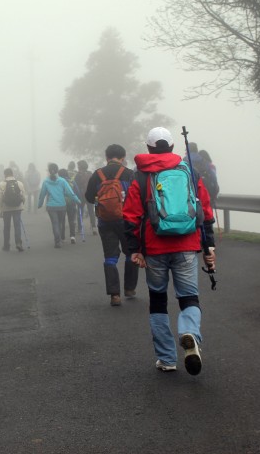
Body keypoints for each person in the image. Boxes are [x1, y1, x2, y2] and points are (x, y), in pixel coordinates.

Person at [124, 127, 216, 375]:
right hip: (187, 244)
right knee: (189, 297)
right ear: (173, 146)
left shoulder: (140, 176)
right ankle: (190, 332)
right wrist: (209, 246)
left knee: (158, 300)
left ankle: (166, 358)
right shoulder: (189, 171)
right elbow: (204, 210)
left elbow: (131, 215)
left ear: (149, 148)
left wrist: (134, 249)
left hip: (154, 247)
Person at [84, 144, 138, 307]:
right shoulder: (129, 174)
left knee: (110, 257)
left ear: (106, 157)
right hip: (127, 220)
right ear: (123, 158)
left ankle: (115, 295)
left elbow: (89, 197)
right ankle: (129, 288)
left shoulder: (97, 174)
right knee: (130, 253)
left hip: (105, 220)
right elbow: (137, 196)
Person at [38, 163, 79, 248]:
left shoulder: (46, 181)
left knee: (55, 223)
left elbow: (42, 194)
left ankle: (57, 241)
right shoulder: (62, 181)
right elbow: (70, 192)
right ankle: (59, 239)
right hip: (61, 205)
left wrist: (40, 204)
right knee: (60, 223)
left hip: (51, 206)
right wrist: (77, 200)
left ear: (49, 171)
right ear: (57, 170)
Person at [0, 167, 26, 252]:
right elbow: (23, 196)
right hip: (17, 207)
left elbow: (0, 198)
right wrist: (22, 204)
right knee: (17, 225)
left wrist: (0, 209)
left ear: (5, 175)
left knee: (6, 226)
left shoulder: (2, 184)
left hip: (6, 208)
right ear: (12, 174)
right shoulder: (19, 183)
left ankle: (6, 245)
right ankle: (18, 243)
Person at [75, 160, 97, 236]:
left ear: (80, 166)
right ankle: (94, 227)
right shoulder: (90, 173)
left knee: (80, 211)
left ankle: (80, 228)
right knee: (91, 212)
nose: (77, 167)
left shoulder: (78, 175)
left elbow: (76, 187)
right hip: (90, 195)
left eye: (78, 165)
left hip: (81, 196)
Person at [58, 167, 80, 244]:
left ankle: (62, 237)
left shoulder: (58, 182)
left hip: (61, 203)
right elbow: (77, 191)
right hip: (71, 203)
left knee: (62, 220)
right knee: (71, 220)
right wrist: (78, 200)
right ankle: (72, 236)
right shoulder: (71, 181)